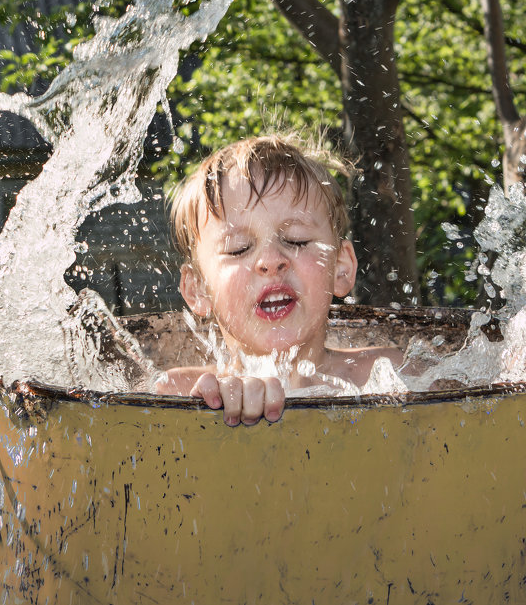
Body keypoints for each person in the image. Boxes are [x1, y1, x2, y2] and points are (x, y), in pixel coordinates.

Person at [154, 134, 405, 425]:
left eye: (296, 241)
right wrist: (205, 414)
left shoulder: (388, 373)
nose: (271, 261)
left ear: (341, 267)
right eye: (239, 249)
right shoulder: (178, 392)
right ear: (197, 288)